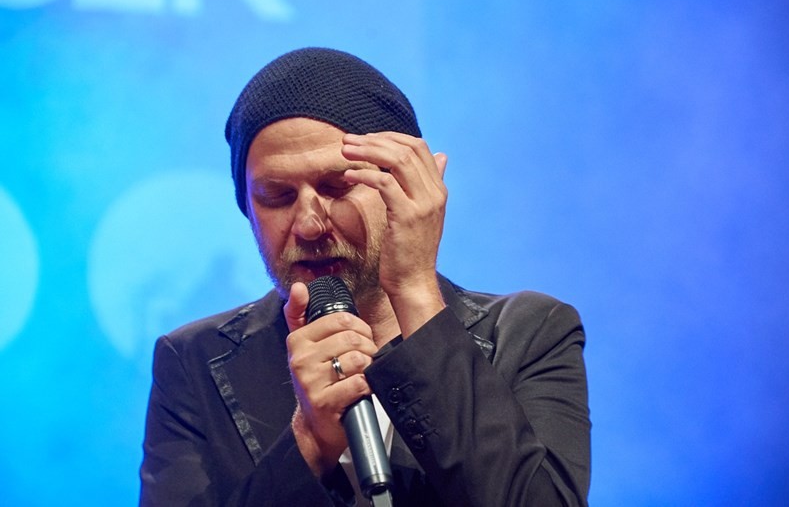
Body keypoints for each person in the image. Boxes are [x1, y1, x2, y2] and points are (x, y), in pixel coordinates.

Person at [139, 47, 591, 506]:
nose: (309, 225)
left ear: (404, 186)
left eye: (337, 187)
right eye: (276, 196)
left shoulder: (529, 332)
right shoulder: (193, 360)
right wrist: (309, 444)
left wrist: (414, 289)